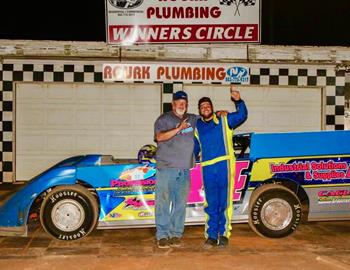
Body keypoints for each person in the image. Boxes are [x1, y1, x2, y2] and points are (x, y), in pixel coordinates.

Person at [194, 85, 248, 248]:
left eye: (208, 106)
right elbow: (195, 148)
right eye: (202, 106)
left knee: (224, 201)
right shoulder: (197, 126)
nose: (205, 108)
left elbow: (242, 115)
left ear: (212, 108)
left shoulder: (224, 119)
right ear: (199, 110)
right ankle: (211, 236)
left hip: (225, 164)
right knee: (210, 202)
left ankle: (223, 234)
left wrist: (238, 100)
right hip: (207, 167)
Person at [154, 90, 198, 249]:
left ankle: (176, 234)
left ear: (187, 105)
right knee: (163, 203)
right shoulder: (164, 119)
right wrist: (179, 128)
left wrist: (220, 113)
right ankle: (162, 235)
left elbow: (208, 118)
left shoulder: (192, 119)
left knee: (180, 204)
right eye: (178, 102)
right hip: (166, 168)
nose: (181, 104)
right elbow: (159, 137)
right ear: (173, 104)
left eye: (184, 102)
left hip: (185, 169)